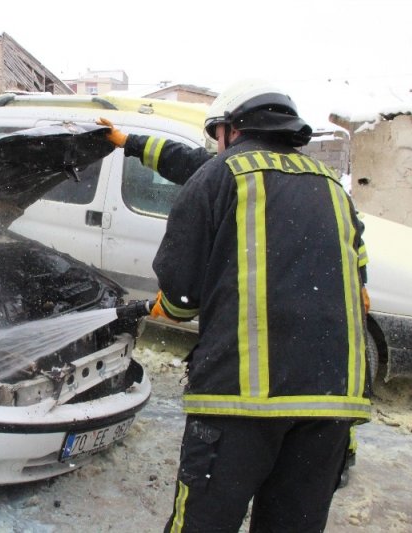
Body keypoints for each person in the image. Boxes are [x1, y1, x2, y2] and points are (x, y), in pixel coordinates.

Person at [100, 79, 372, 532]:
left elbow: (184, 295)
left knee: (204, 523)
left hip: (241, 404)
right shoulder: (333, 190)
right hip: (332, 403)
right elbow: (358, 276)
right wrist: (131, 143)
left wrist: (169, 306)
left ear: (231, 129)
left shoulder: (221, 176)